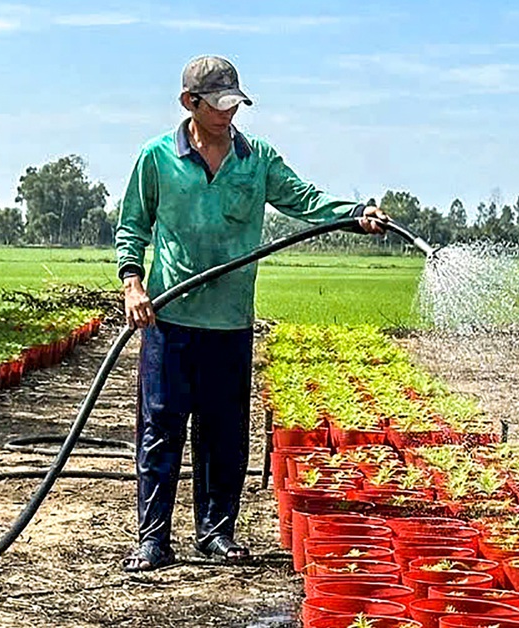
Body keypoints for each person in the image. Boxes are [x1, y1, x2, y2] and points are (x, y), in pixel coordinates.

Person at [114, 54, 388, 572]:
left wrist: (355, 215)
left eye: (234, 104)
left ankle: (216, 533)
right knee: (160, 430)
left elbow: (304, 199)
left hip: (230, 323)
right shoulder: (156, 158)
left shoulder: (256, 159)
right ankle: (153, 540)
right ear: (188, 103)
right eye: (217, 105)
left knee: (224, 433)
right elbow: (132, 225)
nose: (228, 114)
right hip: (171, 320)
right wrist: (133, 283)